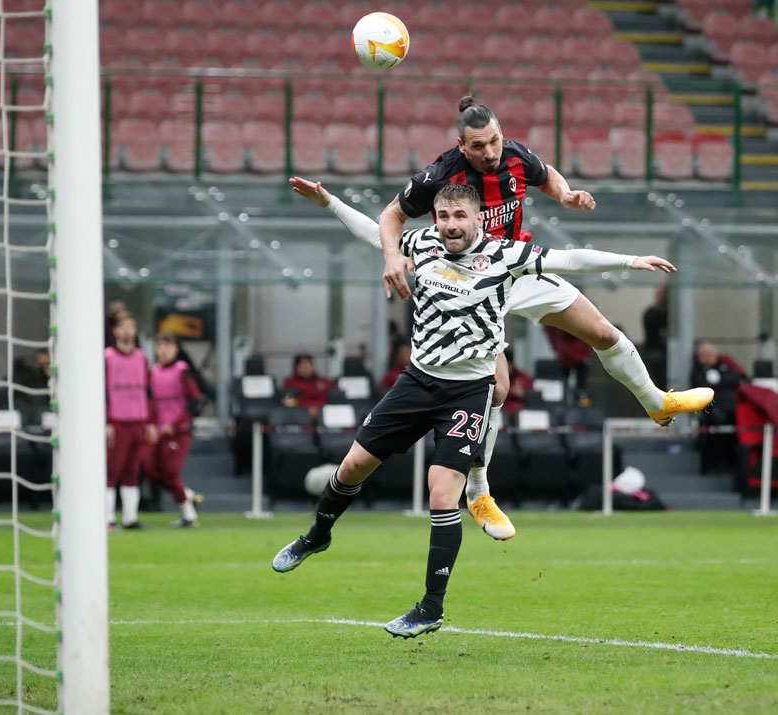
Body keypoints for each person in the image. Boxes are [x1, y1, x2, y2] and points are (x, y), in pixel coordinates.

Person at [292, 96, 713, 539]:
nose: (490, 152)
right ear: (461, 144)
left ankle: (656, 402)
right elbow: (391, 218)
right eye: (479, 146)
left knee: (602, 332)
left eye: (494, 141)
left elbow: (548, 179)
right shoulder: (439, 175)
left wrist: (567, 195)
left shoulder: (513, 154)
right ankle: (479, 492)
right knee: (497, 388)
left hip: (512, 265)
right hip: (471, 282)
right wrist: (391, 254)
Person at [273, 183, 682, 638]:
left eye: (459, 217)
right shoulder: (419, 242)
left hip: (468, 392)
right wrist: (329, 202)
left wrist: (630, 261)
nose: (450, 225)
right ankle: (317, 535)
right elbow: (374, 234)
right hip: (416, 382)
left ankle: (430, 608)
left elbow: (570, 258)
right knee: (352, 467)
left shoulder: (505, 255)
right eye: (443, 216)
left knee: (441, 495)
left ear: (478, 220)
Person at [105, 312, 157, 530]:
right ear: (115, 331)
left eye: (131, 327)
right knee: (112, 470)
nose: (128, 331)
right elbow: (102, 390)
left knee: (133, 470)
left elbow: (148, 390)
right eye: (123, 327)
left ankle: (130, 518)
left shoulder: (141, 357)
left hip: (139, 421)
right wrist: (106, 420)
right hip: (117, 422)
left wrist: (151, 421)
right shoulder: (106, 357)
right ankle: (106, 518)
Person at [147, 333, 205, 528]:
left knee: (171, 472)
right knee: (151, 470)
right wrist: (153, 423)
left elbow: (195, 401)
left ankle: (189, 516)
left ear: (176, 350)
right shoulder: (153, 371)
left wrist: (176, 423)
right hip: (159, 431)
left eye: (168, 346)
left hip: (179, 432)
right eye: (160, 345)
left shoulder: (182, 371)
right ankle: (188, 494)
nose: (163, 350)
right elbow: (151, 402)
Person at [690, 341, 745, 474]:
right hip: (712, 409)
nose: (708, 357)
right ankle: (715, 466)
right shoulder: (697, 371)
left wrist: (719, 384)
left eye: (710, 354)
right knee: (716, 421)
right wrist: (723, 384)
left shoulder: (726, 366)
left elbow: (737, 380)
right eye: (704, 354)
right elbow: (702, 387)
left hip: (731, 408)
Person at [282, 354, 335, 420]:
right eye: (302, 365)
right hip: (299, 414)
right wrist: (306, 409)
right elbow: (288, 402)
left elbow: (332, 400)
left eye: (308, 365)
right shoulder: (290, 383)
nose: (306, 368)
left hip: (323, 413)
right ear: (296, 368)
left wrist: (317, 408)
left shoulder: (325, 382)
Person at [502, 349, 534, 421]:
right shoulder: (495, 377)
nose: (506, 368)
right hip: (501, 414)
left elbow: (533, 397)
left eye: (508, 365)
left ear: (512, 364)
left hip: (520, 417)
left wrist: (524, 393)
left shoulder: (522, 377)